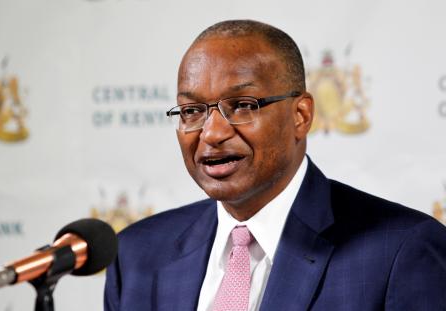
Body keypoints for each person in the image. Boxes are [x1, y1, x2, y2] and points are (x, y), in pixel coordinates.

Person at [104, 20, 446, 311]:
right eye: (192, 111)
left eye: (241, 105)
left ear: (301, 116)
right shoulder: (137, 255)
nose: (212, 133)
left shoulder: (400, 251)